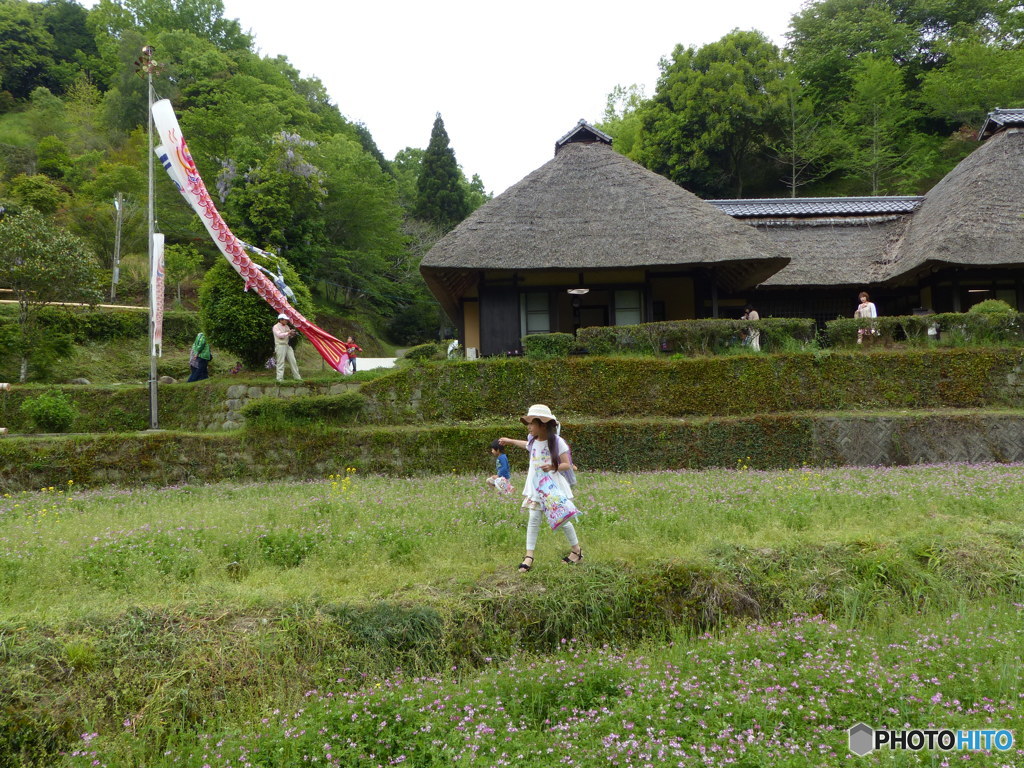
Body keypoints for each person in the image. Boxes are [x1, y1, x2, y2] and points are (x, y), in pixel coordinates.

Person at [498, 404, 582, 572]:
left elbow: (567, 464)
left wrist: (553, 466)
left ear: (543, 424)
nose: (528, 427)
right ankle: (529, 556)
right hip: (536, 489)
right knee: (533, 519)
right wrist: (510, 441)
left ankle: (577, 551)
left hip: (552, 489)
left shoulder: (557, 442)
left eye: (531, 423)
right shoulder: (533, 440)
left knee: (563, 520)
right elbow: (526, 445)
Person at [273, 313, 302, 382]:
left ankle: (297, 377)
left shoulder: (287, 327)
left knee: (293, 361)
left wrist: (292, 334)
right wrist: (288, 333)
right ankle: (279, 379)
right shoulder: (276, 327)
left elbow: (288, 336)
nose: (286, 321)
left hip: (287, 345)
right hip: (280, 345)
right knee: (280, 362)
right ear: (281, 320)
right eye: (285, 320)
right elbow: (280, 335)